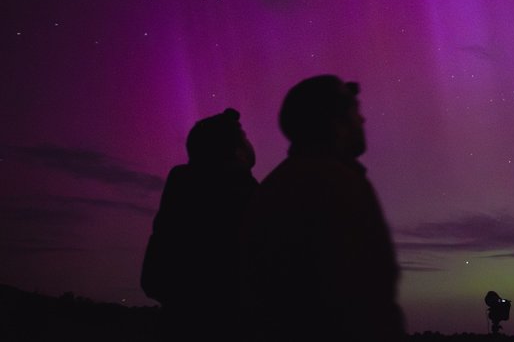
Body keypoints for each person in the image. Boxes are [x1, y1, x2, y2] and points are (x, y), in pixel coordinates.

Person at [241, 75, 405, 341]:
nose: (363, 120)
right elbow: (358, 296)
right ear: (335, 122)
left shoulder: (277, 184)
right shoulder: (333, 183)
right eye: (355, 112)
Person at [141, 108, 258, 340]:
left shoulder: (182, 190)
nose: (249, 142)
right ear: (236, 151)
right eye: (244, 137)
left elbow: (154, 279)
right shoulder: (246, 197)